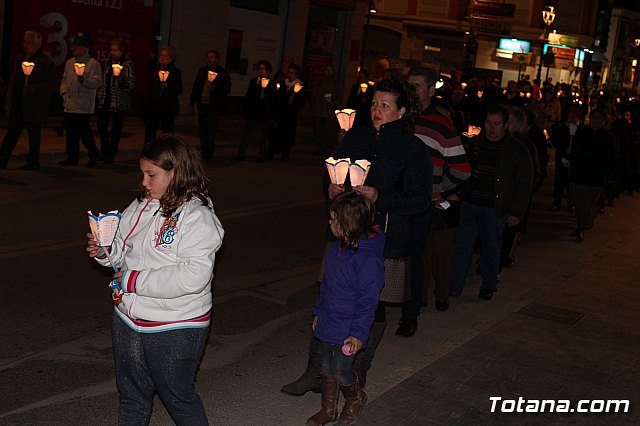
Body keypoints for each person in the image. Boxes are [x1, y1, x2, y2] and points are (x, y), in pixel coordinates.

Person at [281, 79, 432, 396]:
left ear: (402, 111)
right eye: (375, 104)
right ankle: (315, 373)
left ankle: (356, 371)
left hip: (385, 239)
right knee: (330, 297)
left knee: (371, 305)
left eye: (385, 105)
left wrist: (381, 196)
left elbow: (419, 200)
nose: (377, 111)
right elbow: (332, 170)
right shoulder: (357, 136)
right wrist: (332, 186)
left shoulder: (413, 149)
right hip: (343, 235)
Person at [86, 136, 224, 425]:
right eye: (143, 173)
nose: (144, 182)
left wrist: (133, 281)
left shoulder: (197, 217)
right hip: (128, 318)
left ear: (176, 174)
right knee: (132, 397)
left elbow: (193, 276)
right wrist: (105, 251)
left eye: (152, 175)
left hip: (175, 324)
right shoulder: (141, 206)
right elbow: (123, 252)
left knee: (178, 397)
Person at [396, 67, 470, 337]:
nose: (412, 90)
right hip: (394, 200)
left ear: (430, 90)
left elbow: (462, 168)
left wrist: (439, 190)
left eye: (417, 85)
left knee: (415, 257)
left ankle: (410, 314)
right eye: (409, 85)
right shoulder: (399, 117)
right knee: (387, 253)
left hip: (420, 205)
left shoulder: (441, 124)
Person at [306, 191, 385, 426]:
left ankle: (355, 397)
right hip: (331, 319)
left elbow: (368, 302)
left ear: (348, 225)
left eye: (334, 219)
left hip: (350, 326)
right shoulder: (334, 250)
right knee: (326, 366)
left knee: (341, 369)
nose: (329, 222)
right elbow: (326, 286)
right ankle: (328, 410)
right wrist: (319, 312)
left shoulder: (368, 260)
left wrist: (359, 334)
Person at [450, 104, 533, 300]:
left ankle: (488, 284)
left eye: (496, 124)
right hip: (470, 204)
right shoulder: (474, 143)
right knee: (462, 247)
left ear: (505, 125)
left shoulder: (516, 149)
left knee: (491, 247)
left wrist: (517, 211)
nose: (492, 128)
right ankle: (454, 287)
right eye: (489, 123)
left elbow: (524, 182)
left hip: (495, 208)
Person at [0, 31, 56, 170]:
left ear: (36, 44)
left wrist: (33, 89)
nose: (24, 44)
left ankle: (33, 161)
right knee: (12, 132)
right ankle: (2, 159)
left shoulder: (45, 62)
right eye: (24, 42)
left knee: (34, 134)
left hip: (34, 106)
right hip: (19, 103)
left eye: (27, 42)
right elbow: (13, 81)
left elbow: (51, 86)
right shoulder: (20, 58)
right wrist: (9, 101)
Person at [567, 108, 616, 242]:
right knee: (578, 203)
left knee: (588, 204)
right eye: (593, 118)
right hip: (579, 174)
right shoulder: (582, 132)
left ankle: (581, 228)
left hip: (595, 176)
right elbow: (575, 150)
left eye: (598, 119)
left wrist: (610, 176)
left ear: (603, 121)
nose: (595, 121)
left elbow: (611, 158)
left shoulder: (607, 137)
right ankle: (580, 225)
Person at [59, 33, 102, 167]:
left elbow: (97, 82)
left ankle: (93, 154)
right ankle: (72, 156)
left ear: (85, 48)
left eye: (77, 47)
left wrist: (84, 80)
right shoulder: (70, 62)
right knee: (71, 133)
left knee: (84, 132)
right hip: (70, 103)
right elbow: (65, 79)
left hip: (83, 104)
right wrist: (64, 92)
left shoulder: (93, 64)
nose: (74, 49)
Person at [96, 38, 135, 163]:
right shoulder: (109, 62)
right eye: (111, 49)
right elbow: (104, 80)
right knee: (101, 125)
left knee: (116, 129)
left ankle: (111, 154)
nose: (113, 52)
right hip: (106, 99)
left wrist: (121, 80)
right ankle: (105, 151)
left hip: (118, 101)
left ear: (122, 51)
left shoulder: (127, 64)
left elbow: (131, 84)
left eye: (115, 50)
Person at [189, 50, 231, 161]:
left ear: (217, 59)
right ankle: (204, 150)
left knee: (210, 130)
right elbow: (196, 87)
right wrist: (192, 102)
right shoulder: (202, 71)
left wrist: (215, 88)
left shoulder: (222, 72)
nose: (209, 59)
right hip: (202, 105)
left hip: (213, 106)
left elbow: (227, 89)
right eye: (208, 57)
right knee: (202, 130)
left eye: (212, 57)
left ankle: (208, 152)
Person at [236, 60, 277, 162]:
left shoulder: (271, 84)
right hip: (252, 113)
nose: (261, 71)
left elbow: (273, 100)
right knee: (247, 135)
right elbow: (248, 96)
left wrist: (265, 97)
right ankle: (241, 154)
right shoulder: (254, 81)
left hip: (262, 114)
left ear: (268, 71)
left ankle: (262, 156)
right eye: (260, 69)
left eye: (263, 69)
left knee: (262, 136)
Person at [144, 46, 183, 143]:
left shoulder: (175, 72)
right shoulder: (156, 69)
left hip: (167, 106)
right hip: (153, 105)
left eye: (165, 56)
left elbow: (178, 88)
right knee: (150, 131)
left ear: (171, 58)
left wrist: (167, 86)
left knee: (167, 132)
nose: (162, 58)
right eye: (161, 55)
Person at [272, 64, 305, 161]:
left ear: (296, 75)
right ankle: (275, 150)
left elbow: (300, 102)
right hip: (281, 114)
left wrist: (293, 102)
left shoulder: (299, 85)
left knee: (287, 135)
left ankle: (285, 154)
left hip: (290, 116)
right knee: (278, 133)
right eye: (288, 72)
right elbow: (278, 97)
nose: (289, 75)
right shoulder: (283, 83)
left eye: (292, 73)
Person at [551, 106, 581, 211]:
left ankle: (571, 203)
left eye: (574, 117)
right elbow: (556, 142)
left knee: (571, 184)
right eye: (569, 117)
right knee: (559, 182)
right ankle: (556, 202)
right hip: (561, 159)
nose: (571, 119)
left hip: (574, 161)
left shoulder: (581, 130)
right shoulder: (562, 129)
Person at [310, 65, 342, 156]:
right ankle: (319, 148)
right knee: (318, 131)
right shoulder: (319, 82)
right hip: (318, 111)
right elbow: (313, 95)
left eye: (329, 70)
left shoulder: (336, 84)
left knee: (330, 131)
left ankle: (329, 148)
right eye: (326, 70)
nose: (327, 72)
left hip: (329, 112)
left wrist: (332, 103)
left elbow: (339, 98)